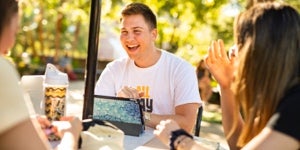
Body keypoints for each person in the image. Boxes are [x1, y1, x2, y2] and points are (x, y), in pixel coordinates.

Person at [154, 2, 300, 150]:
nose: (233, 50)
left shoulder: (295, 106)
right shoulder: (283, 100)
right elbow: (239, 145)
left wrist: (179, 139)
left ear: (263, 51)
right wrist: (226, 86)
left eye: (241, 42)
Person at [95, 2, 201, 133]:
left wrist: (134, 113)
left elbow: (186, 123)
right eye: (124, 32)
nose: (129, 38)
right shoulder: (113, 69)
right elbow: (95, 114)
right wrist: (120, 107)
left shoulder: (181, 69)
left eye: (137, 31)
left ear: (154, 34)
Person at [0, 0, 82, 149]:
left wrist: (21, 124)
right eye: (15, 31)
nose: (11, 46)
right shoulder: (2, 69)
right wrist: (72, 134)